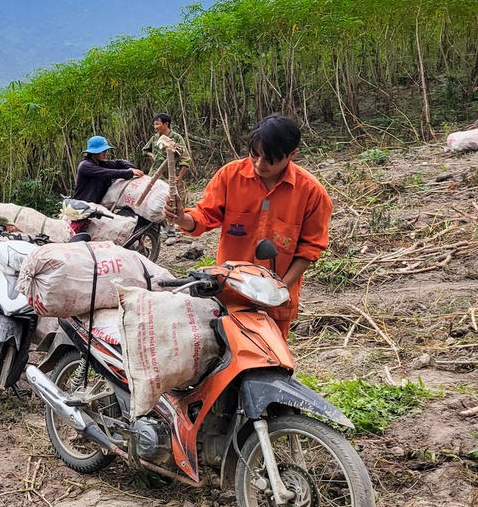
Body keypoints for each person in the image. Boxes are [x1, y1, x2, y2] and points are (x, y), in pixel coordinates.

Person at [164, 115, 331, 338]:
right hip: (231, 291)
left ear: (291, 155)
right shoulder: (229, 176)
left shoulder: (311, 193)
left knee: (271, 360)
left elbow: (310, 249)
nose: (260, 165)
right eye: (255, 156)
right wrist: (182, 218)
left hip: (276, 300)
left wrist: (279, 289)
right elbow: (205, 215)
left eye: (270, 160)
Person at [71, 136, 143, 204]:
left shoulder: (101, 163)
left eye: (106, 151)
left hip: (96, 203)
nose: (105, 154)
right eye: (102, 151)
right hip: (82, 204)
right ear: (93, 152)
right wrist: (129, 172)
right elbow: (107, 173)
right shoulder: (85, 165)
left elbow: (120, 162)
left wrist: (131, 168)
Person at [142, 113, 191, 184]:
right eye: (154, 124)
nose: (155, 127)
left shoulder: (176, 138)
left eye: (157, 124)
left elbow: (186, 159)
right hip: (154, 175)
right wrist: (152, 155)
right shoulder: (154, 138)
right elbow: (145, 151)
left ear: (166, 124)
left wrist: (179, 177)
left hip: (169, 176)